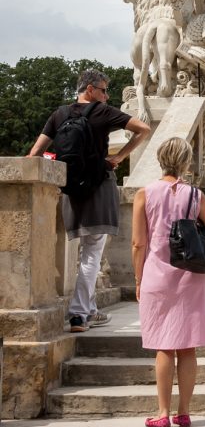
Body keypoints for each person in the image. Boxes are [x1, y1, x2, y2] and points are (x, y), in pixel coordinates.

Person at [28, 68, 150, 332]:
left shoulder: (59, 114)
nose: (107, 96)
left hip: (71, 190)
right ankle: (78, 315)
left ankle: (91, 310)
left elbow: (35, 152)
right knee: (92, 253)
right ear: (90, 90)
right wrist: (120, 157)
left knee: (85, 253)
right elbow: (144, 129)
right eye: (104, 90)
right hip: (98, 186)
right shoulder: (103, 112)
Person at [131, 137, 205, 427]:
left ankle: (162, 412)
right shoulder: (196, 195)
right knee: (188, 348)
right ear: (185, 161)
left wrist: (138, 279)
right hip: (192, 276)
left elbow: (137, 243)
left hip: (157, 275)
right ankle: (184, 412)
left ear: (159, 159)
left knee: (164, 346)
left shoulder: (144, 194)